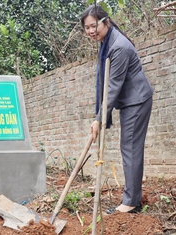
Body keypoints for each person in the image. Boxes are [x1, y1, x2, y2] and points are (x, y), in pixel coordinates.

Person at [80, 5, 153, 214]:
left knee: (130, 148)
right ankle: (133, 197)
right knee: (129, 148)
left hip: (136, 101)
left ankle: (131, 203)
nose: (91, 31)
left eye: (94, 25)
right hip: (131, 100)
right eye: (87, 28)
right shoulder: (107, 42)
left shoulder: (118, 47)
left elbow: (112, 87)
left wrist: (98, 119)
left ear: (106, 22)